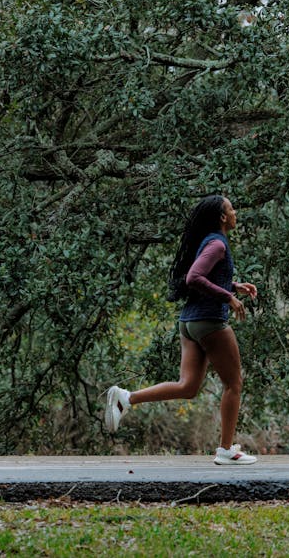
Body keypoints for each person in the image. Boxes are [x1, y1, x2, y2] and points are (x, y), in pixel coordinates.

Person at [105, 194, 259, 465]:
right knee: (233, 385)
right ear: (223, 217)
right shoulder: (217, 244)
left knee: (187, 386)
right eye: (231, 209)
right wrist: (228, 298)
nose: (236, 212)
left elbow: (207, 276)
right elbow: (194, 277)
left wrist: (234, 286)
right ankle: (226, 450)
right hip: (210, 322)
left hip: (189, 323)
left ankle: (126, 398)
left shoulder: (210, 242)